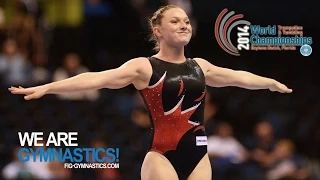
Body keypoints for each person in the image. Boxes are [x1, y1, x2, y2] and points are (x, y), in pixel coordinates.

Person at [8, 5, 292, 180]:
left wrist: (268, 81)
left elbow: (238, 78)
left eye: (186, 21)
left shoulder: (200, 66)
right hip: (162, 157)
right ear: (157, 30)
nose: (184, 24)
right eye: (175, 21)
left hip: (198, 157)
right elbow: (96, 79)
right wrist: (47, 87)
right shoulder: (144, 67)